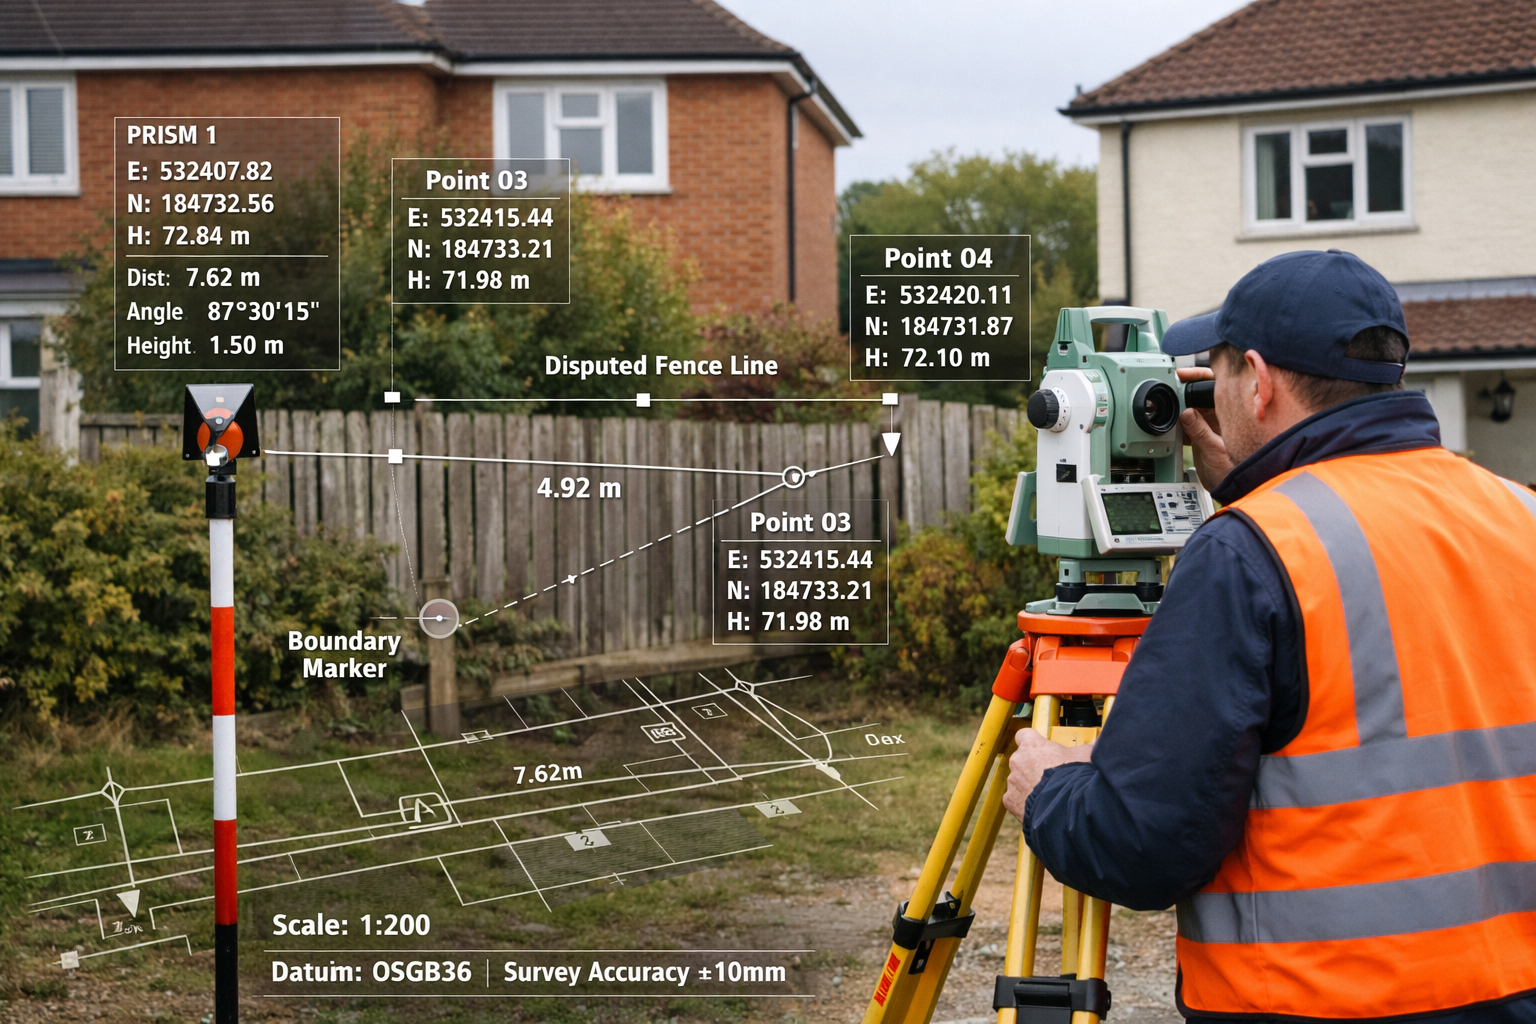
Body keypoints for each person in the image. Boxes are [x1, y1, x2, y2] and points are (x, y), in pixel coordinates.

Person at [999, 249, 1536, 1022]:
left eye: (1214, 374)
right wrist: (1263, 491)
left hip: (1322, 1001)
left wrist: (1051, 791)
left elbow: (1144, 847)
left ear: (1258, 379)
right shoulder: (1515, 510)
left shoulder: (1250, 553)